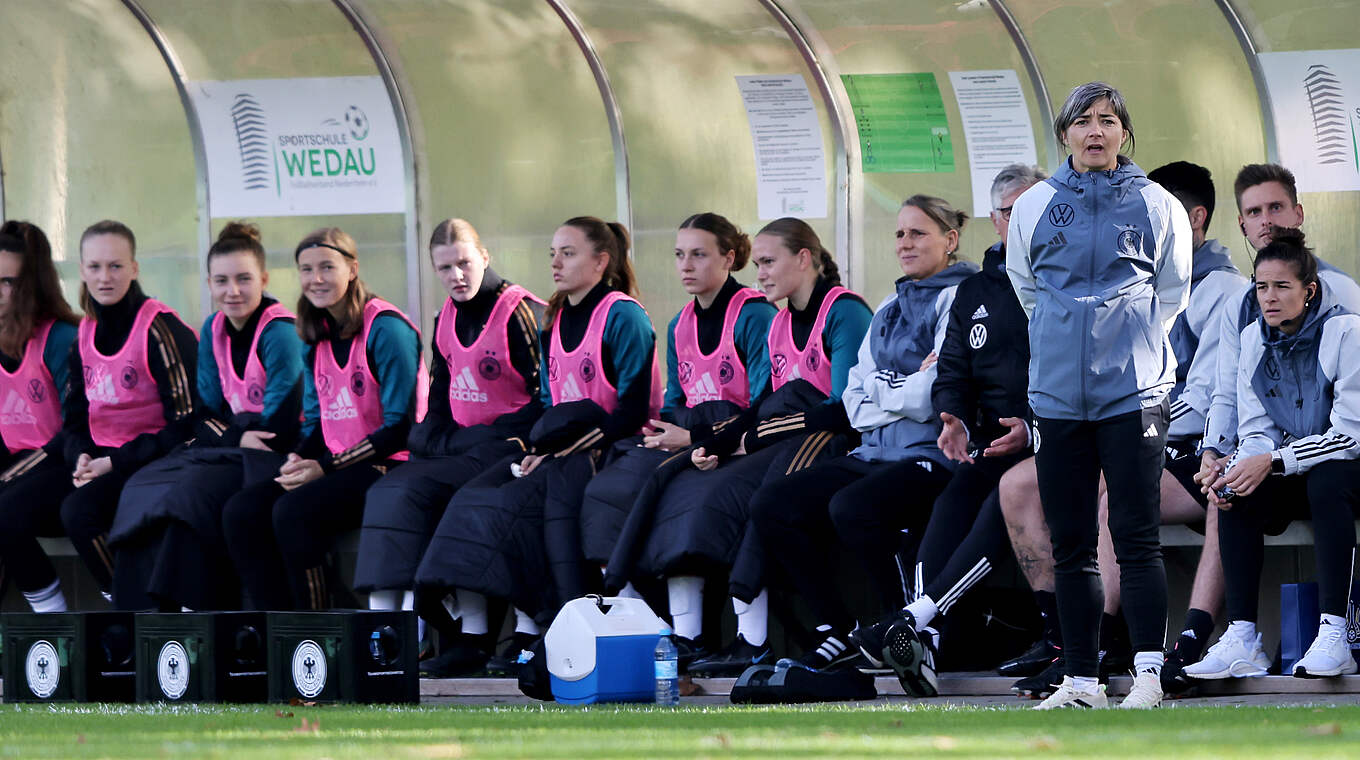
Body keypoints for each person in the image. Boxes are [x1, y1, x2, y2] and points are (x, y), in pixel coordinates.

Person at [605, 218, 871, 675]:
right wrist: (723, 439)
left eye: (769, 262)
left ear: (803, 259)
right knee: (680, 482)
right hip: (785, 436)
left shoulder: (843, 310)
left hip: (833, 442)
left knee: (761, 499)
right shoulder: (781, 319)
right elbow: (767, 404)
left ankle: (767, 638)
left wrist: (749, 436)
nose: (760, 272)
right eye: (760, 263)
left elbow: (842, 412)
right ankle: (664, 622)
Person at [1006, 82, 1191, 709]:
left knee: (1135, 536)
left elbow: (1172, 292)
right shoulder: (1033, 206)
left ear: (1124, 133)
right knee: (1072, 542)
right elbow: (1026, 290)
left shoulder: (1157, 203)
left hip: (1134, 395)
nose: (1095, 131)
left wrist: (1126, 348)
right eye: (1082, 121)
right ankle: (1080, 680)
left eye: (1107, 120)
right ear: (1064, 136)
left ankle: (1147, 677)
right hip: (1057, 398)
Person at [749, 195, 979, 683]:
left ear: (950, 240)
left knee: (853, 507)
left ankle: (907, 632)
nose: (905, 243)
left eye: (918, 233)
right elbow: (854, 399)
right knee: (774, 502)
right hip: (873, 449)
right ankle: (837, 629)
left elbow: (929, 398)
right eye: (899, 233)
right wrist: (894, 386)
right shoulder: (890, 306)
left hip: (931, 454)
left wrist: (884, 388)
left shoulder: (962, 296)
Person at [414, 216, 660, 670]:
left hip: (612, 449)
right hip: (561, 447)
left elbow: (633, 410)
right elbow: (548, 401)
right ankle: (488, 636)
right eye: (552, 253)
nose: (556, 263)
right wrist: (537, 450)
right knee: (478, 496)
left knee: (536, 504)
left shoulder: (622, 313)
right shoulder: (555, 314)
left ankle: (555, 629)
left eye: (568, 253)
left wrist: (556, 451)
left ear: (600, 261)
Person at [840, 168, 1045, 696]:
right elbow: (950, 371)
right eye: (1008, 213)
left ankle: (915, 623)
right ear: (996, 221)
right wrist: (952, 415)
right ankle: (923, 641)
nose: (1019, 222)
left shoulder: (1070, 283)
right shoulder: (978, 290)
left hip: (1052, 441)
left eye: (1031, 209)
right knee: (950, 510)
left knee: (1003, 501)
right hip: (989, 443)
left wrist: (1033, 427)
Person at [355, 218, 545, 674]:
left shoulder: (520, 311)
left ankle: (493, 634)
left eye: (464, 263)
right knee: (391, 492)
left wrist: (484, 437)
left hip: (513, 446)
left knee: (464, 501)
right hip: (464, 449)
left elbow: (546, 398)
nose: (456, 276)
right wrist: (433, 435)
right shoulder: (445, 318)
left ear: (484, 257)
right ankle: (398, 632)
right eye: (445, 268)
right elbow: (440, 395)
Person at [221, 227, 426, 610]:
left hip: (393, 465)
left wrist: (324, 466)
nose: (316, 279)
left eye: (327, 267)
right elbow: (317, 421)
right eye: (306, 269)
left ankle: (315, 628)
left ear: (352, 269)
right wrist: (300, 457)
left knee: (292, 513)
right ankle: (275, 627)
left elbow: (402, 429)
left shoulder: (387, 328)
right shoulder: (317, 332)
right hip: (340, 464)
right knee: (241, 511)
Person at [1188, 228, 1359, 680]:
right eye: (1262, 287)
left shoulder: (1347, 332)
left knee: (1327, 480)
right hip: (1302, 467)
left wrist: (1273, 461)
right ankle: (1243, 637)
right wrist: (1239, 466)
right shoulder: (1251, 340)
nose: (1270, 297)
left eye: (1283, 286)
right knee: (1235, 490)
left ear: (1310, 290)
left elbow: (1350, 437)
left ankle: (1334, 633)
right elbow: (1257, 432)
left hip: (1348, 469)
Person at [107, 221, 304, 611]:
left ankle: (193, 606)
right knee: (142, 487)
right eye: (222, 280)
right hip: (232, 445)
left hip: (276, 451)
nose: (232, 291)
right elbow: (202, 412)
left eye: (244, 279)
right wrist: (233, 436)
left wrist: (232, 434)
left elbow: (280, 425)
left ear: (263, 279)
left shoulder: (280, 332)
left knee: (192, 494)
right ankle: (137, 616)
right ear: (209, 283)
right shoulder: (213, 327)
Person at [578, 213, 773, 601]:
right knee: (608, 488)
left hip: (735, 445)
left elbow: (765, 401)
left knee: (683, 501)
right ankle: (628, 609)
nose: (686, 265)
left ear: (729, 258)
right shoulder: (679, 324)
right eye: (679, 254)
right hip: (688, 440)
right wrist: (676, 434)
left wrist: (695, 436)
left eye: (699, 254)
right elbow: (673, 404)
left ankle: (690, 632)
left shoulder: (755, 314)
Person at [57, 220, 201, 603]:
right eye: (95, 267)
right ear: (82, 270)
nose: (106, 277)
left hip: (157, 460)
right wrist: (80, 456)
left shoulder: (160, 329)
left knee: (79, 513)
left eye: (116, 266)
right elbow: (73, 418)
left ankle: (136, 608)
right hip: (103, 461)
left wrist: (115, 463)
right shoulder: (84, 334)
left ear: (134, 269)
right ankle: (127, 602)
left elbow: (188, 426)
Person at [0, 221, 80, 613]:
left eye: (8, 282)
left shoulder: (60, 338)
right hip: (21, 468)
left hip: (66, 467)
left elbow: (75, 434)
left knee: (5, 509)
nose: (0, 292)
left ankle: (53, 621)